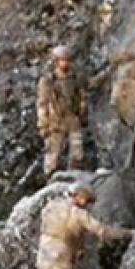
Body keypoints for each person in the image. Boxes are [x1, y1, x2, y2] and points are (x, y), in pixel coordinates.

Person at [37, 45, 88, 177]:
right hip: (55, 121)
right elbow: (42, 103)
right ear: (56, 62)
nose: (65, 63)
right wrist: (43, 123)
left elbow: (82, 95)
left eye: (67, 60)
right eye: (62, 60)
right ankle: (51, 179)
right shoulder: (48, 80)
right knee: (52, 156)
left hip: (72, 119)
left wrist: (82, 112)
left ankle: (76, 176)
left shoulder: (75, 77)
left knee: (77, 153)